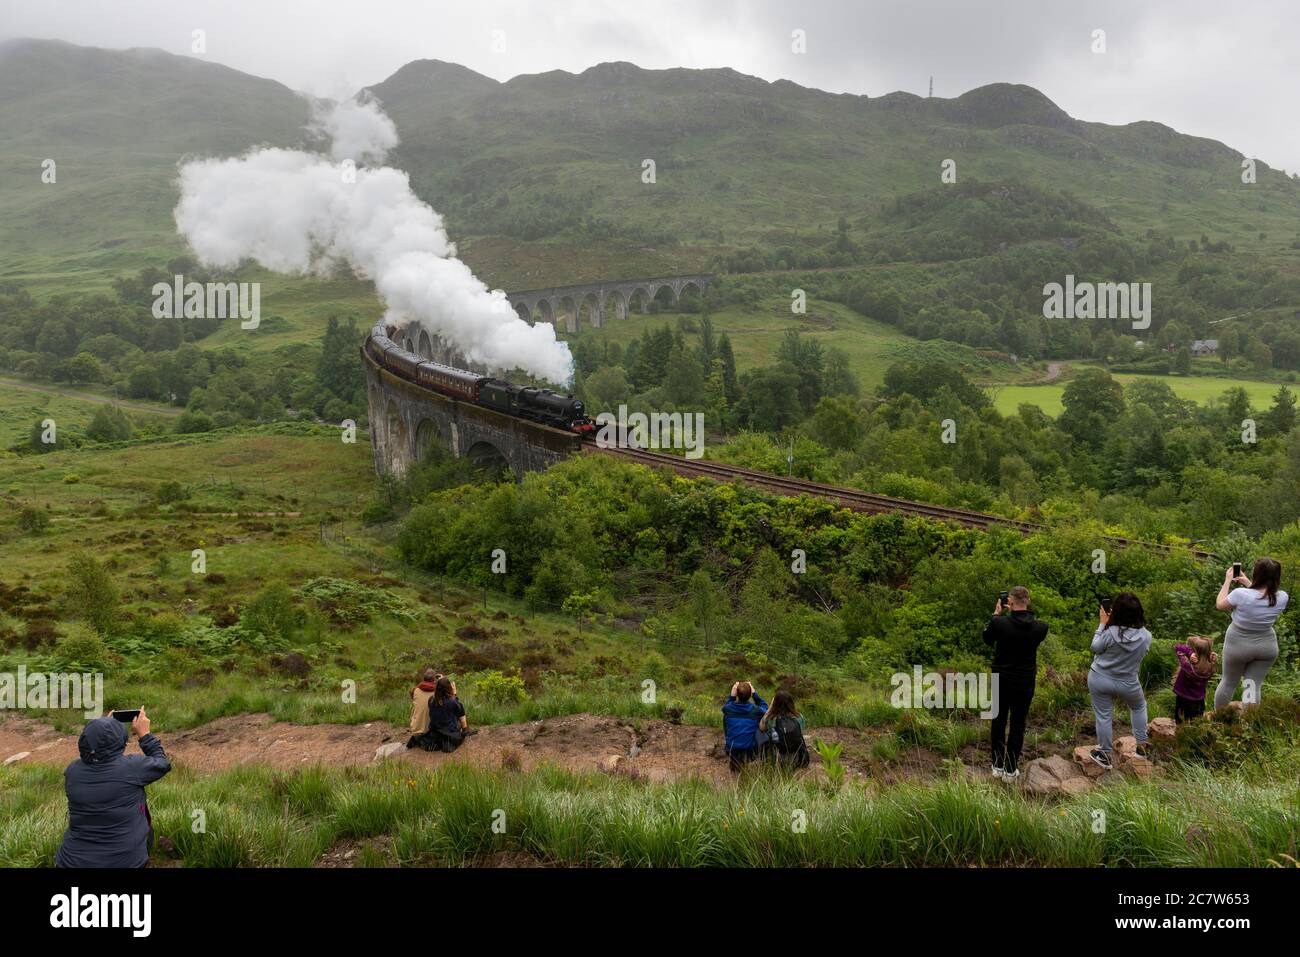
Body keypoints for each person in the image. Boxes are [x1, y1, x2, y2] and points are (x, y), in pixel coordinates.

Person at [55, 708, 171, 868]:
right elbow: (162, 763)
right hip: (125, 863)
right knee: (144, 824)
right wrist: (145, 735)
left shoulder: (72, 771)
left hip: (71, 862)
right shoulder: (132, 768)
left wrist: (104, 726)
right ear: (121, 742)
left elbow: (95, 754)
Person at [982, 585, 1049, 781]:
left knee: (998, 720)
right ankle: (1011, 769)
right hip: (1025, 680)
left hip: (1000, 678)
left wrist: (996, 614)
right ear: (1027, 601)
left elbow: (987, 639)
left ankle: (997, 766)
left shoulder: (1000, 623)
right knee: (1018, 723)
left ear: (1009, 603)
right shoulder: (1041, 628)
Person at [1088, 593, 1153, 770]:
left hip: (1100, 677)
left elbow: (1095, 647)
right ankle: (1142, 746)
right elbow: (1142, 654)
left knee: (1104, 715)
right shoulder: (1146, 636)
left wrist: (1102, 623)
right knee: (1139, 707)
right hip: (1128, 681)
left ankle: (1104, 753)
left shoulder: (1109, 633)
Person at [1213, 559, 1287, 709]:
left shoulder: (1240, 594)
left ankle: (1219, 718)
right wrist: (1248, 582)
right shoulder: (1282, 597)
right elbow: (1262, 598)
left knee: (1229, 682)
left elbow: (1220, 604)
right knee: (1252, 685)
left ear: (1257, 574)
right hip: (1266, 646)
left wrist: (1227, 580)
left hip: (1238, 645)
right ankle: (1249, 721)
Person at [407, 677, 470, 753]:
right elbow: (458, 708)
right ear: (449, 688)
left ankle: (461, 730)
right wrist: (454, 694)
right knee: (460, 709)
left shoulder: (431, 700)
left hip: (435, 732)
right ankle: (465, 729)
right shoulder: (452, 701)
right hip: (449, 732)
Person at [721, 681, 768, 771]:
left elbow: (727, 706)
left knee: (727, 718)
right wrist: (755, 694)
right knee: (762, 725)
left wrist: (732, 697)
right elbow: (765, 708)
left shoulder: (728, 709)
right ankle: (759, 758)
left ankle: (735, 760)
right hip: (750, 751)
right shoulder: (756, 710)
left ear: (737, 694)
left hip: (731, 749)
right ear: (750, 695)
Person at [759, 689, 810, 769]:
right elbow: (800, 733)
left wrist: (769, 709)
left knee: (760, 734)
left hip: (776, 758)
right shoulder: (799, 717)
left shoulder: (770, 719)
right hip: (795, 756)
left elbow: (761, 728)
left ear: (775, 704)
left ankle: (763, 758)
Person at [1172, 636, 1217, 723]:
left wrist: (1189, 653)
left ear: (1194, 652)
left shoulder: (1187, 666)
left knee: (1181, 722)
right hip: (1199, 700)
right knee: (1196, 723)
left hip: (1183, 699)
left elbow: (1177, 647)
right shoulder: (1211, 667)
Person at [409, 668, 442, 735]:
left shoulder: (416, 690)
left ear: (424, 679)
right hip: (432, 729)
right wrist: (441, 681)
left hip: (416, 729)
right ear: (434, 679)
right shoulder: (438, 691)